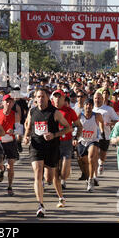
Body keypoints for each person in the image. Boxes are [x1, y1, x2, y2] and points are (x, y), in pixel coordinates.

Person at [24, 88, 72, 218]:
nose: (40, 99)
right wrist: (26, 136)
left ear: (47, 98)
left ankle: (51, 187)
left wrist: (55, 134)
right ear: (35, 98)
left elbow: (69, 128)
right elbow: (28, 126)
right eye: (38, 97)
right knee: (37, 173)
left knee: (50, 177)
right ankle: (40, 205)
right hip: (36, 147)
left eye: (42, 97)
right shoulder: (32, 111)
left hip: (51, 148)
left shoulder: (55, 113)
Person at [51, 90, 82, 190]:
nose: (57, 99)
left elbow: (79, 126)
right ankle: (58, 184)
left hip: (66, 142)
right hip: (53, 142)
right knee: (53, 171)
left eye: (59, 97)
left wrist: (76, 137)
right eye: (55, 97)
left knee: (64, 173)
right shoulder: (49, 110)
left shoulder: (69, 111)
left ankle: (62, 180)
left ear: (64, 99)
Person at [0, 94, 22, 197]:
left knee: (11, 166)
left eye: (11, 102)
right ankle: (2, 169)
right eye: (7, 102)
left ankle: (9, 187)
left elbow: (20, 130)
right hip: (0, 142)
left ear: (13, 103)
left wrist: (14, 131)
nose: (9, 104)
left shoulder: (15, 115)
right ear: (3, 103)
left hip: (11, 142)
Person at [76, 98, 105, 192]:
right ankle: (88, 176)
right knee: (83, 161)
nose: (88, 106)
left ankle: (91, 180)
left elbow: (102, 123)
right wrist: (75, 137)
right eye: (86, 104)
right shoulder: (79, 115)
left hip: (93, 140)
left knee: (91, 157)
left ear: (92, 106)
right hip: (82, 140)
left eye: (90, 105)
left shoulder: (97, 115)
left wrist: (101, 131)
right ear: (83, 106)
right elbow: (74, 126)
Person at [93, 91, 119, 176]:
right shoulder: (90, 108)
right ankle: (94, 175)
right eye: (96, 98)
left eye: (99, 98)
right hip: (93, 136)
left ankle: (101, 163)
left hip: (105, 135)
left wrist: (110, 124)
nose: (97, 100)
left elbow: (117, 120)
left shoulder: (108, 109)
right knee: (94, 154)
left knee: (103, 154)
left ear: (102, 99)